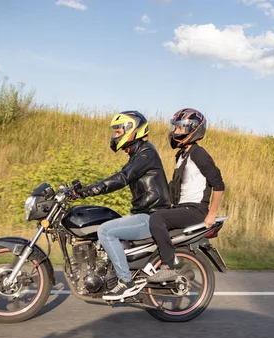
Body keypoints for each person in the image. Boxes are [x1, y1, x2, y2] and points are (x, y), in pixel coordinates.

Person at [73, 110, 171, 300]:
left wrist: (89, 191)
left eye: (118, 131)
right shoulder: (138, 155)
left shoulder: (146, 153)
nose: (115, 135)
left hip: (152, 216)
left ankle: (125, 282)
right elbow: (122, 175)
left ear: (132, 130)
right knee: (103, 228)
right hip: (144, 214)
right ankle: (107, 275)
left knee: (106, 231)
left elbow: (122, 178)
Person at [148, 108, 225, 283]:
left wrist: (211, 214)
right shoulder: (182, 155)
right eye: (174, 128)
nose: (175, 132)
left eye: (179, 129)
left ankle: (168, 266)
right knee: (150, 216)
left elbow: (218, 184)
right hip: (181, 207)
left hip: (195, 210)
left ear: (193, 129)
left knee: (157, 219)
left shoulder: (199, 153)